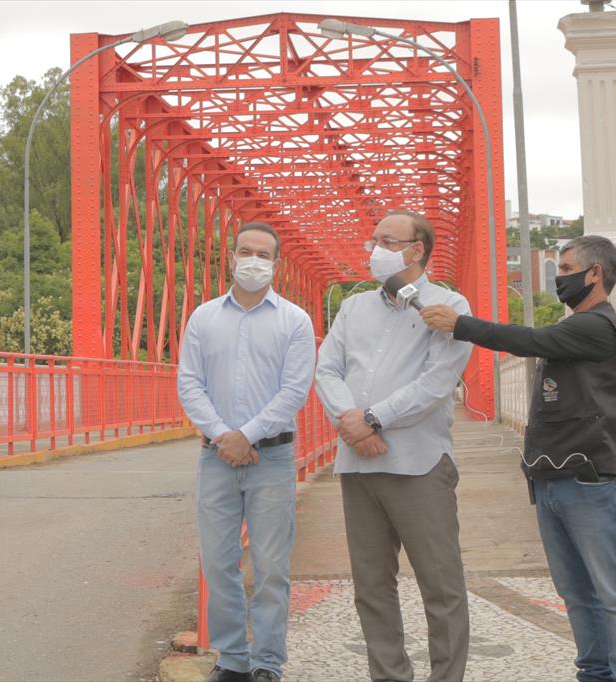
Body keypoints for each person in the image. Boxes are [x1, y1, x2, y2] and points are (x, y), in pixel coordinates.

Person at [420, 234, 616, 682]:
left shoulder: (598, 326)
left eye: (565, 269)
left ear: (594, 273)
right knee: (575, 590)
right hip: (552, 477)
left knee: (609, 590)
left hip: (589, 479)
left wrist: (459, 324)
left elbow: (527, 338)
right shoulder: (576, 328)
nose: (559, 279)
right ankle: (596, 672)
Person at [314, 210, 474, 682]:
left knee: (440, 585)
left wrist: (371, 419)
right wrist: (351, 424)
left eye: (388, 240)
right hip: (358, 464)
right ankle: (389, 676)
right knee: (371, 586)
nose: (376, 249)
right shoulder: (354, 306)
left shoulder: (449, 305)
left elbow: (437, 382)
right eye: (374, 241)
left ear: (416, 249)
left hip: (419, 463)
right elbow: (327, 368)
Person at [177, 222, 316, 682]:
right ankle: (233, 659)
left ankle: (267, 662)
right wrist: (224, 436)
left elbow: (294, 390)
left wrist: (247, 436)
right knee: (218, 563)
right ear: (231, 257)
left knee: (272, 566)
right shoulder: (203, 317)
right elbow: (189, 384)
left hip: (271, 458)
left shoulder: (295, 320)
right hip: (216, 455)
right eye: (244, 251)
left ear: (275, 264)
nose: (252, 260)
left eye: (262, 254)